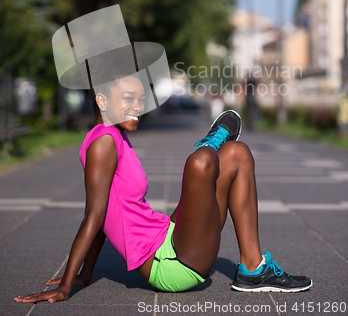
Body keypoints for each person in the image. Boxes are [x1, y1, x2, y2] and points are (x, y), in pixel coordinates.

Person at [14, 74, 312, 304]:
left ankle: (253, 269)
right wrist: (67, 284)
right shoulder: (104, 142)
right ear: (103, 101)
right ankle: (210, 143)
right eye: (128, 98)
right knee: (199, 165)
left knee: (238, 154)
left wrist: (85, 275)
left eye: (141, 99)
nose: (138, 107)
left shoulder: (114, 136)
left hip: (168, 236)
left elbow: (106, 214)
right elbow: (95, 215)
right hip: (171, 265)